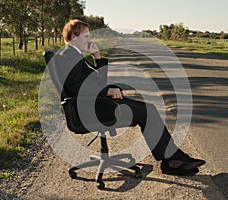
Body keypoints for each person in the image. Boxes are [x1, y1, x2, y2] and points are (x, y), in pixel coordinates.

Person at [52, 19, 205, 176]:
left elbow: (99, 81)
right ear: (72, 37)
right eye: (85, 37)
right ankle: (172, 161)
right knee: (148, 111)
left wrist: (97, 57)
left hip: (96, 105)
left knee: (148, 110)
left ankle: (173, 159)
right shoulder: (67, 56)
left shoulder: (73, 55)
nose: (89, 40)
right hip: (91, 109)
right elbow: (76, 88)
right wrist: (106, 92)